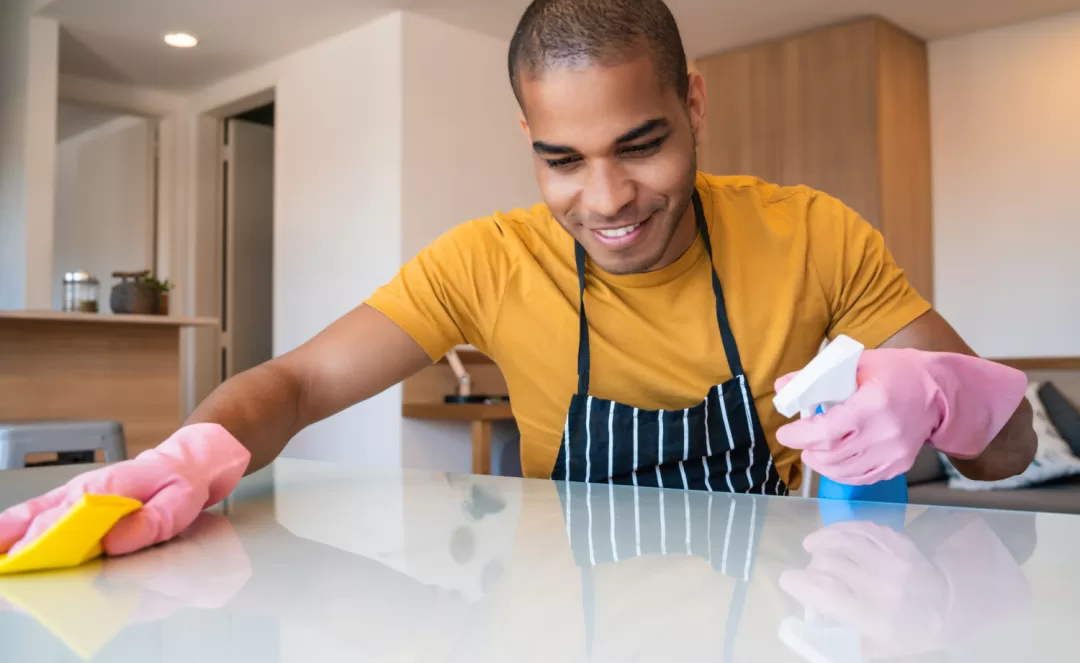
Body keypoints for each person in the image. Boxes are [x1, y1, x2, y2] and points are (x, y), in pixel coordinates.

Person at [0, 0, 1035, 558]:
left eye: (643, 144)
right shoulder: (487, 259)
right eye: (563, 159)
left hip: (767, 621)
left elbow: (1011, 454)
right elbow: (302, 385)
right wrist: (196, 450)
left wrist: (946, 397)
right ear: (529, 140)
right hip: (554, 629)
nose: (608, 199)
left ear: (696, 106)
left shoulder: (812, 235)